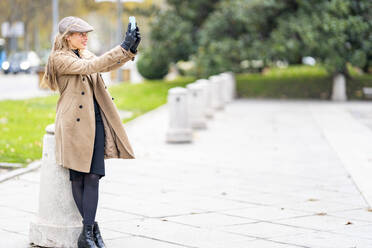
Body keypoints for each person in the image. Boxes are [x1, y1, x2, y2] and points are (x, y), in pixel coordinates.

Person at [41, 16, 141, 248]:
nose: (86, 37)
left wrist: (129, 50)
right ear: (68, 37)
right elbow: (89, 68)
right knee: (78, 179)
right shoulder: (59, 59)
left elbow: (104, 65)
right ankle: (90, 233)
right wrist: (122, 47)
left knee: (94, 176)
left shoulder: (85, 54)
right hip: (73, 125)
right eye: (81, 34)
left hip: (94, 121)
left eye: (87, 33)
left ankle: (88, 231)